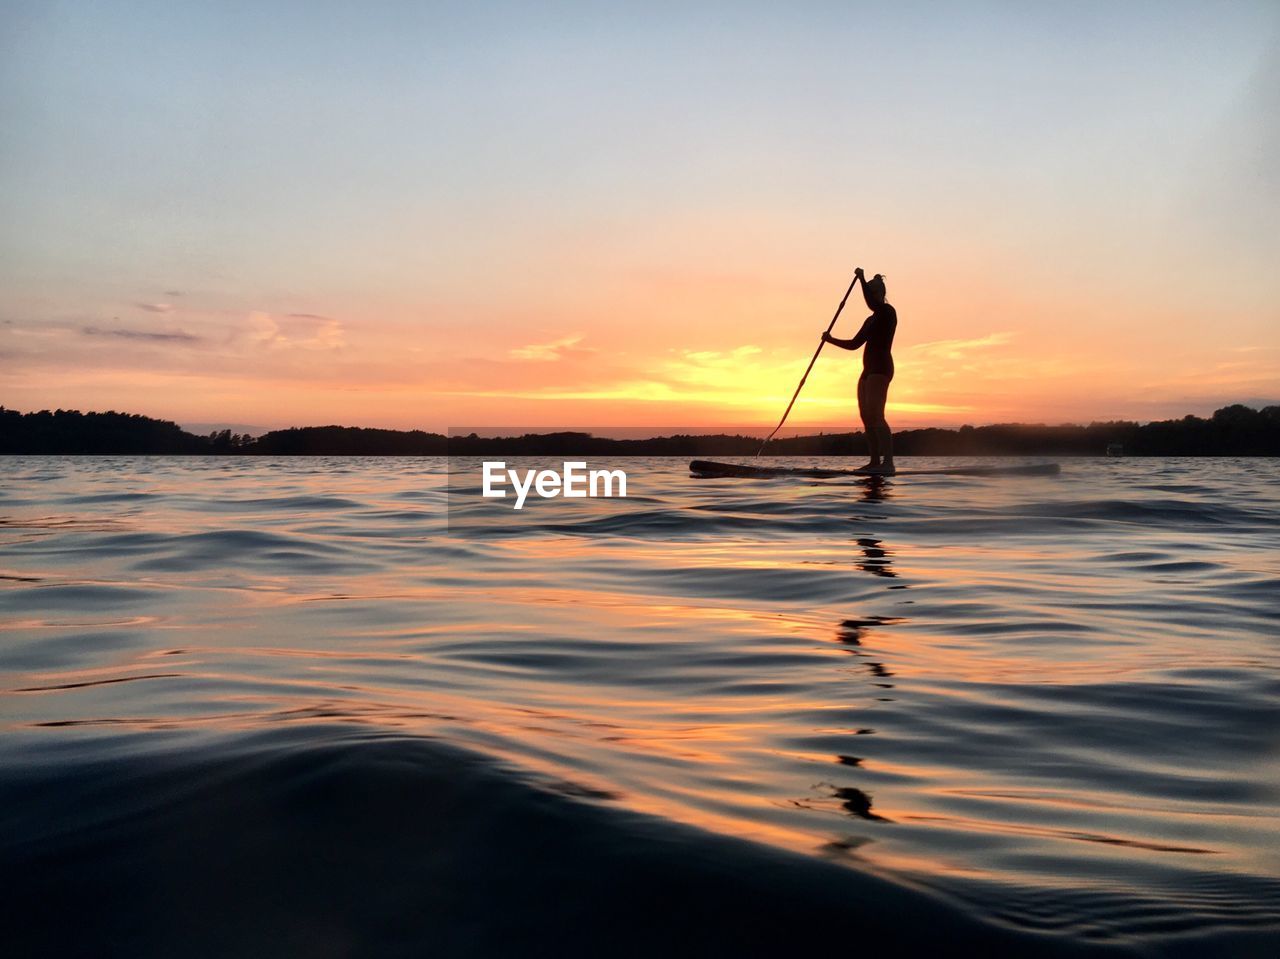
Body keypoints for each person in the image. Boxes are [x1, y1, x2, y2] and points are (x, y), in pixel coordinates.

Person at [822, 268, 897, 475]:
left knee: (877, 415)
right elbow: (855, 344)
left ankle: (888, 463)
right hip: (867, 370)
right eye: (868, 291)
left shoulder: (888, 312)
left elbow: (872, 303)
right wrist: (831, 339)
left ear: (880, 293)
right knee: (866, 417)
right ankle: (874, 462)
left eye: (872, 292)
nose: (870, 296)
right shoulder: (869, 319)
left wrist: (862, 279)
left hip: (881, 369)